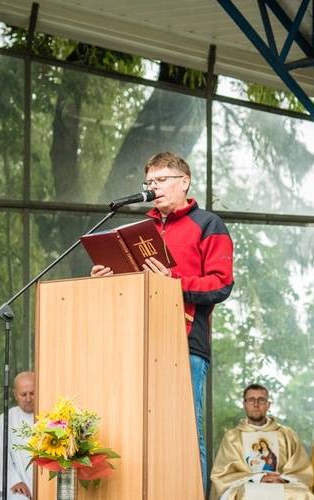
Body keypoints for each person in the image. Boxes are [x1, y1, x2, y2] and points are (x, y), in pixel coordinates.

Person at [91, 151, 235, 489]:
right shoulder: (139, 229)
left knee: (184, 431)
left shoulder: (208, 224)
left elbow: (221, 283)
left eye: (161, 180)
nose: (154, 187)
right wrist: (108, 276)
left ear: (184, 182)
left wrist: (174, 282)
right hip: (137, 341)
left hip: (185, 342)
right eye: (149, 182)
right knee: (138, 431)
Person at [209, 383, 314, 500]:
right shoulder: (233, 437)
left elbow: (300, 467)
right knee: (246, 495)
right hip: (247, 484)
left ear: (268, 404)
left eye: (261, 400)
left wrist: (282, 478)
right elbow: (223, 474)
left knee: (303, 495)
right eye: (251, 400)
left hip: (281, 483)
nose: (256, 404)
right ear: (244, 405)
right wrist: (259, 478)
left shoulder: (286, 434)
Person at [0, 371, 36, 500]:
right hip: (18, 487)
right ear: (15, 395)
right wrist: (14, 480)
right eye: (23, 394)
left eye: (32, 393)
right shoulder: (3, 420)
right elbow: (2, 456)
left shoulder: (52, 416)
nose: (28, 399)